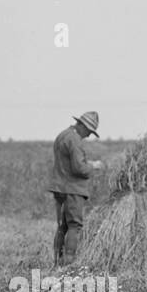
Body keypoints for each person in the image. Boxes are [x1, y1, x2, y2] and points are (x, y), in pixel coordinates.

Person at [50, 110, 101, 266]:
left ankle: (57, 262)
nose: (89, 135)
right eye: (89, 131)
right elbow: (79, 168)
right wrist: (93, 167)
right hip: (72, 189)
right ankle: (69, 262)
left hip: (59, 187)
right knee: (74, 226)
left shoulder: (62, 135)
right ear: (83, 126)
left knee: (62, 226)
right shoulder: (75, 140)